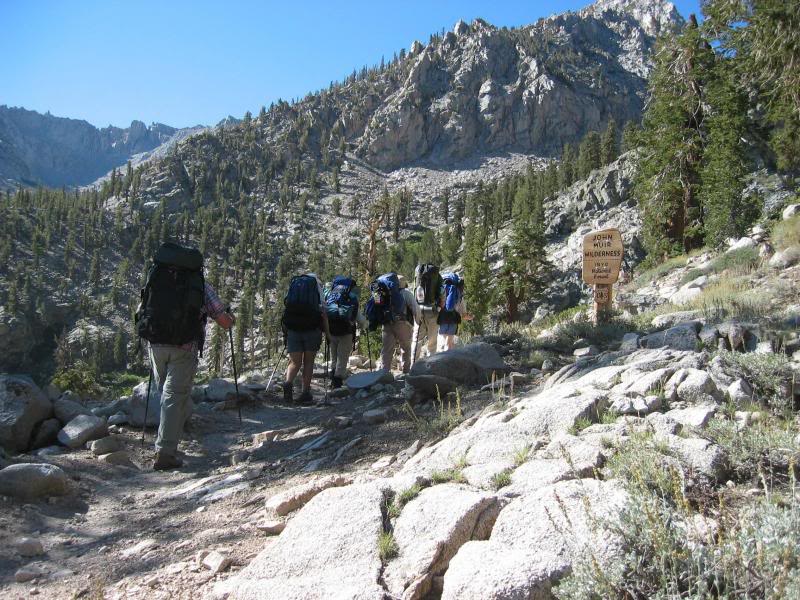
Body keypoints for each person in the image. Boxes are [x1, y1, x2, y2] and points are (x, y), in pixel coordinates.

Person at [136, 242, 234, 471]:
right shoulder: (199, 285)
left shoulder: (156, 278)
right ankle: (165, 452)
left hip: (156, 344)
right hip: (184, 347)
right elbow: (223, 321)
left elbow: (140, 310)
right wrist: (231, 319)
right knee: (174, 395)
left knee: (167, 393)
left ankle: (172, 432)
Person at [282, 272, 331, 405]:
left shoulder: (294, 287)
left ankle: (288, 384)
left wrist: (286, 333)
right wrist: (328, 334)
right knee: (308, 362)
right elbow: (324, 314)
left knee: (294, 362)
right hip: (312, 329)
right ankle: (305, 393)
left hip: (294, 330)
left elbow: (286, 308)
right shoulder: (316, 288)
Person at [324, 275, 366, 388]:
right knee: (342, 357)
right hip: (346, 331)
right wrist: (364, 325)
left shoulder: (330, 295)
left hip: (331, 330)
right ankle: (337, 382)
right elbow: (359, 317)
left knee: (334, 356)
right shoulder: (351, 297)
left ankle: (332, 375)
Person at [379, 274, 419, 373]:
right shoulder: (406, 293)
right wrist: (418, 321)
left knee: (387, 349)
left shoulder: (383, 293)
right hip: (402, 324)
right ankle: (405, 371)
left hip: (387, 324)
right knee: (405, 347)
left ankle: (384, 372)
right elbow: (416, 309)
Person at [411, 263, 443, 364]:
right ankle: (430, 364)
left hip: (418, 309)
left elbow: (414, 292)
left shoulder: (418, 276)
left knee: (417, 339)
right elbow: (442, 293)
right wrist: (439, 308)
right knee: (432, 340)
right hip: (432, 310)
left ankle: (413, 364)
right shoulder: (437, 276)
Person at [437, 272, 470, 352]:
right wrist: (470, 317)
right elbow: (464, 314)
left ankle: (443, 355)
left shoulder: (442, 290)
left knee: (443, 342)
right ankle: (448, 356)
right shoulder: (458, 294)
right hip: (453, 319)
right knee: (449, 343)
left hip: (442, 318)